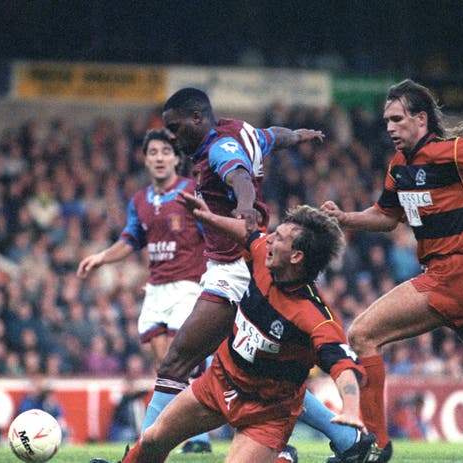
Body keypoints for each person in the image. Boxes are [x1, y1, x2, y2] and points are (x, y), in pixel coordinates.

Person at [130, 88, 369, 463]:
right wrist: (300, 135)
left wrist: (243, 206)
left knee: (177, 361)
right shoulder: (243, 130)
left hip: (236, 269)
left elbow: (237, 175)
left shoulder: (218, 149)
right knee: (266, 370)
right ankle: (345, 439)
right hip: (245, 260)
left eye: (175, 129)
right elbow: (275, 135)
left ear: (197, 119)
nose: (172, 138)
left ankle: (144, 449)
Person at [321, 78, 463, 463]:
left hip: (453, 273)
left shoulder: (450, 153)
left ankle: (373, 447)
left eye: (397, 119)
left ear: (421, 119)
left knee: (364, 333)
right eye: (386, 120)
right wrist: (345, 217)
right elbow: (385, 218)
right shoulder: (399, 166)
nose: (389, 128)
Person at [113, 192, 373, 463]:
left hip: (268, 413)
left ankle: (282, 459)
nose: (269, 238)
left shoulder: (315, 317)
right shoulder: (264, 256)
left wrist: (352, 411)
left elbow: (344, 367)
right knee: (154, 439)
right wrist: (207, 217)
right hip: (219, 382)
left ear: (296, 257)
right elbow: (247, 233)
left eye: (279, 238)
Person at [77, 128, 211, 450]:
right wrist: (101, 258)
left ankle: (176, 440)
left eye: (166, 151)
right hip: (157, 290)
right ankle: (188, 438)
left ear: (177, 158)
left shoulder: (191, 192)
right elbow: (131, 239)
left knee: (182, 363)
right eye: (153, 152)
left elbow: (213, 231)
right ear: (146, 159)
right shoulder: (139, 200)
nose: (160, 157)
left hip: (188, 286)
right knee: (166, 369)